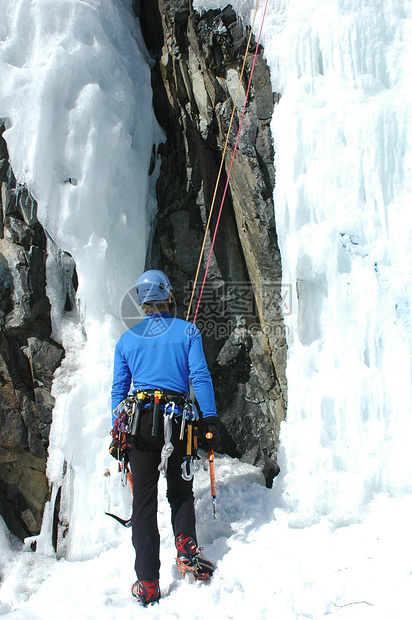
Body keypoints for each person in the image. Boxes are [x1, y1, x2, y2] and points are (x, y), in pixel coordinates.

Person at [111, 269, 219, 606]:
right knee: (180, 490)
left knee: (143, 501)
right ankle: (187, 549)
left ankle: (148, 583)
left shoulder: (127, 340)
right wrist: (210, 419)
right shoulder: (188, 331)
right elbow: (199, 376)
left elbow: (118, 392)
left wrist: (118, 429)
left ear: (142, 302)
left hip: (140, 423)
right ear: (168, 296)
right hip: (179, 422)